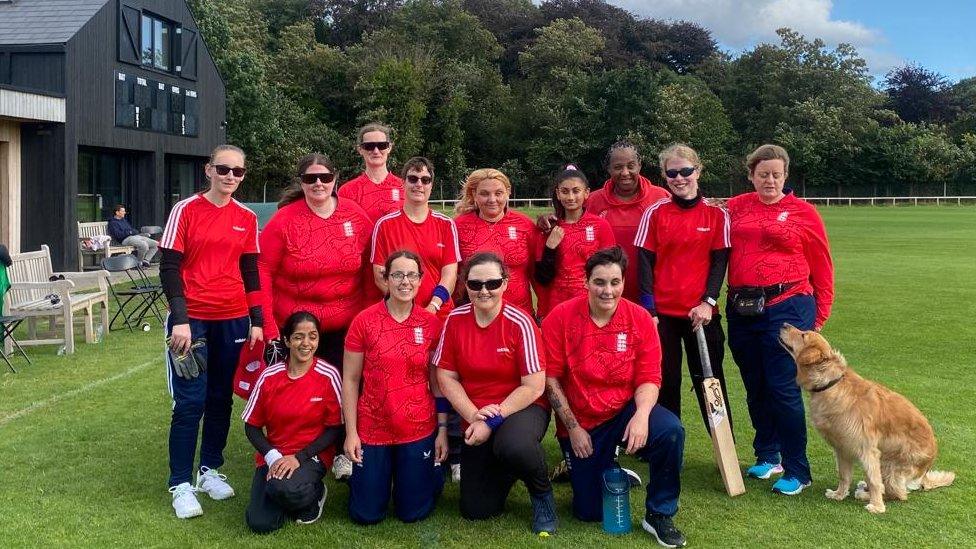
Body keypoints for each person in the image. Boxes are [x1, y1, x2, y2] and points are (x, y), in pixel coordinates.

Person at [543, 246, 686, 548]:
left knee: (671, 431)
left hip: (624, 409)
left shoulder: (640, 319)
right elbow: (551, 379)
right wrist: (572, 428)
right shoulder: (561, 317)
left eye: (615, 282)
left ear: (623, 282)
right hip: (582, 421)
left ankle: (659, 513)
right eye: (599, 282)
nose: (607, 291)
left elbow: (649, 377)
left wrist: (642, 416)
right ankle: (606, 467)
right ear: (586, 282)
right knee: (589, 512)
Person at [160, 144, 264, 519]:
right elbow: (169, 267)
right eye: (223, 169)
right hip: (193, 320)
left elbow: (251, 271)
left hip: (234, 319)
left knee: (221, 398)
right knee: (190, 402)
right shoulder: (185, 210)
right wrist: (182, 318)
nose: (230, 177)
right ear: (208, 170)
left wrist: (257, 320)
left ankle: (209, 471)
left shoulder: (247, 217)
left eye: (237, 172)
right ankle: (180, 484)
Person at [725, 144, 834, 496]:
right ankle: (768, 455)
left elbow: (822, 264)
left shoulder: (803, 212)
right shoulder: (736, 206)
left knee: (783, 388)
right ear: (751, 176)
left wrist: (819, 315)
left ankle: (797, 469)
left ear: (785, 175)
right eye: (762, 174)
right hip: (743, 307)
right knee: (755, 386)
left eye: (776, 174)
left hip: (788, 305)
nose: (769, 180)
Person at [434, 252, 557, 535]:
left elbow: (534, 386)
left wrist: (492, 420)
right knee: (476, 510)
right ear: (465, 285)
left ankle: (541, 492)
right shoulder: (455, 319)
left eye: (492, 283)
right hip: (476, 413)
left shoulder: (520, 321)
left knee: (513, 445)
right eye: (475, 284)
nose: (484, 291)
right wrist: (473, 415)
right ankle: (510, 468)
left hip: (521, 406)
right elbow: (446, 376)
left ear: (505, 283)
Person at [342, 250, 448, 524]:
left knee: (412, 514)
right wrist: (351, 434)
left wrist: (443, 430)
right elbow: (351, 380)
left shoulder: (431, 324)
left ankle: (430, 473)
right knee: (365, 515)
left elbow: (438, 384)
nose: (405, 282)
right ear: (386, 279)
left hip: (417, 427)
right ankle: (371, 479)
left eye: (412, 275)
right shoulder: (363, 321)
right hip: (373, 426)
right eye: (397, 275)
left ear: (421, 279)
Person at [633, 144, 733, 433]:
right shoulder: (655, 212)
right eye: (672, 173)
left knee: (710, 380)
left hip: (701, 314)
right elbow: (644, 264)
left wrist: (708, 303)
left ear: (698, 171)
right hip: (663, 316)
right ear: (664, 176)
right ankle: (666, 443)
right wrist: (650, 310)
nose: (679, 178)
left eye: (685, 171)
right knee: (666, 381)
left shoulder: (716, 214)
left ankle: (723, 447)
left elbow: (719, 264)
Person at [258, 153, 372, 369]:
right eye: (311, 179)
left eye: (325, 177)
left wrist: (367, 318)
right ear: (301, 182)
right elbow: (262, 270)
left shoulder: (354, 214)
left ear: (335, 179)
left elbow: (370, 265)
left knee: (345, 392)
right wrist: (269, 328)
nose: (319, 183)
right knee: (297, 397)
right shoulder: (284, 220)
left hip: (347, 330)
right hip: (298, 331)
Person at [242, 311, 343, 533]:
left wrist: (298, 458)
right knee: (260, 523)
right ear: (286, 340)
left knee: (283, 488)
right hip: (275, 456)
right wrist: (273, 457)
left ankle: (315, 494)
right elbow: (251, 426)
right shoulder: (269, 377)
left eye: (313, 336)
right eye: (298, 337)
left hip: (311, 455)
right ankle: (287, 495)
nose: (306, 343)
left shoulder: (329, 375)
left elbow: (334, 428)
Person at [370, 157, 460, 319]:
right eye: (413, 179)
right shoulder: (384, 225)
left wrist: (432, 307)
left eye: (425, 180)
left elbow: (450, 275)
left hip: (438, 315)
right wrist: (406, 307)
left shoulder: (446, 224)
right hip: (399, 315)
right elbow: (379, 276)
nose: (419, 184)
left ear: (431, 186)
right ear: (403, 183)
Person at [585, 140, 670, 302]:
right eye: (618, 167)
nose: (625, 172)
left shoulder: (661, 198)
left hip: (654, 297)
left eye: (631, 166)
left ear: (639, 166)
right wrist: (548, 221)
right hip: (606, 296)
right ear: (609, 169)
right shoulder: (592, 201)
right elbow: (569, 224)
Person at [534, 165, 615, 318]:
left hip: (591, 303)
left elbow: (610, 268)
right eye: (565, 191)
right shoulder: (548, 228)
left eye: (576, 191)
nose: (570, 197)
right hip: (556, 305)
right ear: (558, 194)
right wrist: (550, 247)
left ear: (586, 193)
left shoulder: (600, 226)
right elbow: (542, 278)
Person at [454, 168, 537, 315]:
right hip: (473, 315)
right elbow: (451, 273)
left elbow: (537, 275)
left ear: (508, 192)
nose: (492, 200)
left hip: (518, 315)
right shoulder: (458, 226)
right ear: (474, 194)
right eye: (484, 194)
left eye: (498, 193)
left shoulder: (525, 225)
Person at [337, 122, 404, 222]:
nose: (376, 151)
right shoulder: (347, 192)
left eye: (381, 145)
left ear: (389, 148)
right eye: (369, 146)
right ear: (360, 149)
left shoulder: (405, 187)